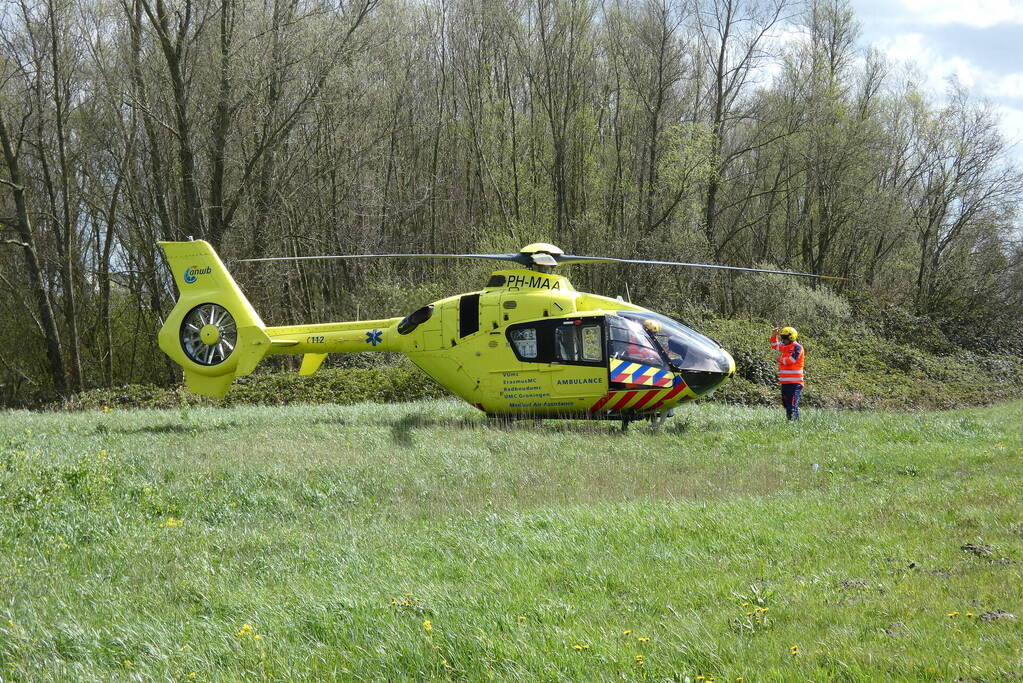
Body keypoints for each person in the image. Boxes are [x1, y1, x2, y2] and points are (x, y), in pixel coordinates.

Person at [770, 326, 804, 420]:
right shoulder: (785, 346)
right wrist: (773, 335)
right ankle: (791, 421)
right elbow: (774, 345)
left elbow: (792, 360)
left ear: (791, 337)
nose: (783, 340)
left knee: (792, 405)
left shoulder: (798, 348)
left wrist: (779, 359)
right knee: (786, 405)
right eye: (782, 337)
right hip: (785, 382)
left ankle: (794, 423)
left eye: (785, 338)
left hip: (795, 383)